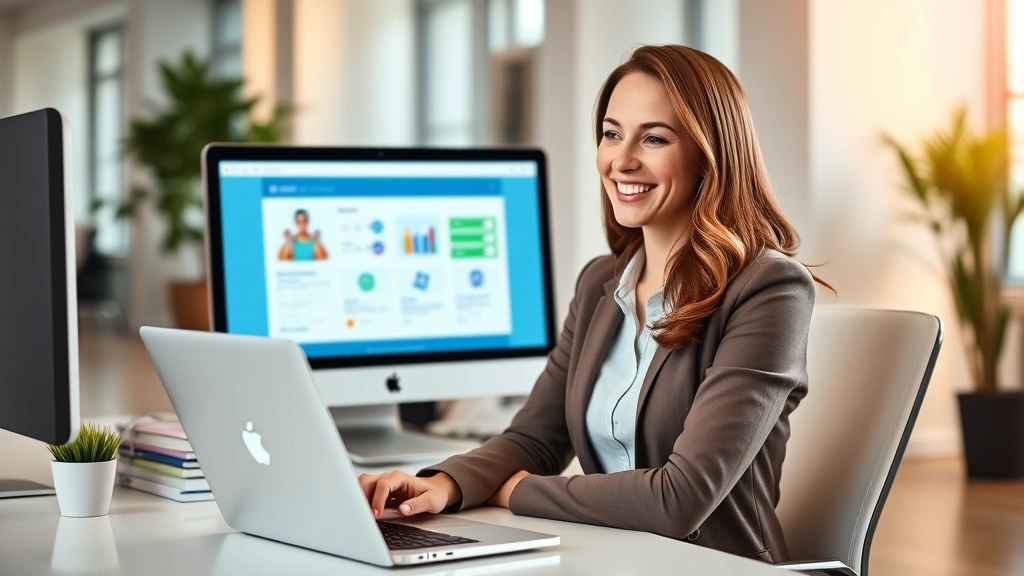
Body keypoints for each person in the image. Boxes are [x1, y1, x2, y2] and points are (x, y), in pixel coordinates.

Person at [358, 44, 830, 563]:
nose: (620, 160)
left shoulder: (769, 291)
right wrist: (445, 484)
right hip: (606, 556)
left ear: (707, 154)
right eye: (611, 133)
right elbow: (538, 437)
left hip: (715, 566)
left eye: (653, 138)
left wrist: (513, 492)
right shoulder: (600, 285)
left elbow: (680, 499)